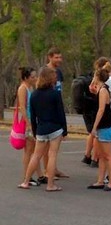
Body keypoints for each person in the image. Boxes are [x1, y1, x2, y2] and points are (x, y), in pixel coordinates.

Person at [19, 67, 67, 191]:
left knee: (36, 155)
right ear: (50, 78)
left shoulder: (34, 95)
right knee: (52, 155)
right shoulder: (55, 94)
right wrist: (65, 130)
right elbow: (61, 113)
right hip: (55, 128)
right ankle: (50, 184)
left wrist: (35, 131)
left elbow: (33, 115)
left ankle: (26, 181)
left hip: (41, 128)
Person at [87, 68, 111, 191]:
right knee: (101, 155)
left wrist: (94, 127)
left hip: (106, 125)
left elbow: (101, 110)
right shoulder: (100, 89)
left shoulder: (103, 90)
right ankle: (100, 180)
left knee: (108, 155)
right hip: (103, 126)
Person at [44, 47, 68, 182]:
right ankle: (47, 172)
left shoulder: (59, 72)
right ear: (50, 57)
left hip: (58, 106)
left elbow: (60, 89)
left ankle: (54, 169)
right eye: (57, 57)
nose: (59, 60)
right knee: (47, 143)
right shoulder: (45, 71)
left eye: (60, 57)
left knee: (55, 142)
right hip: (48, 109)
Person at [17, 67, 42, 186]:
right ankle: (28, 176)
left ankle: (37, 174)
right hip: (28, 122)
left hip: (34, 120)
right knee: (29, 150)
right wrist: (28, 124)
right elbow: (22, 107)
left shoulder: (30, 88)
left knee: (33, 150)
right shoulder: (23, 88)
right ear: (26, 78)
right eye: (32, 77)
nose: (35, 78)